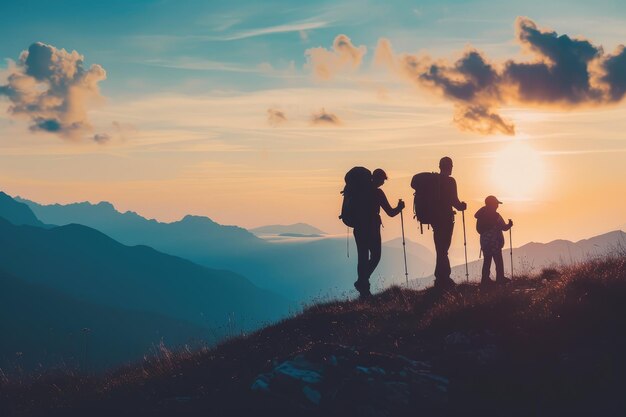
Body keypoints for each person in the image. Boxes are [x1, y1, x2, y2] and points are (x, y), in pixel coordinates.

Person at [353, 168, 405, 298]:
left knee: (362, 258)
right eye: (382, 180)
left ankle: (363, 287)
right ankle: (362, 282)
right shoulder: (377, 193)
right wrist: (400, 207)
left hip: (359, 228)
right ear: (378, 179)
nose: (382, 183)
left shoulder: (359, 191)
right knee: (376, 256)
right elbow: (390, 212)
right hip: (372, 229)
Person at [432, 157, 466, 289]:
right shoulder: (450, 181)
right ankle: (444, 278)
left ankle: (440, 277)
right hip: (446, 219)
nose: (452, 168)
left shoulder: (434, 181)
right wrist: (462, 206)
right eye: (451, 166)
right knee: (443, 249)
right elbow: (455, 202)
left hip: (435, 220)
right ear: (448, 167)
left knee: (440, 248)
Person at [475, 195, 513, 286]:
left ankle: (485, 280)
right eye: (496, 204)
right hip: (495, 242)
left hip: (484, 242)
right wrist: (510, 224)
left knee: (487, 260)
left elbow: (479, 230)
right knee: (498, 260)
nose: (497, 206)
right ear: (493, 204)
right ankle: (500, 278)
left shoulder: (480, 215)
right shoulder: (496, 216)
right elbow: (504, 228)